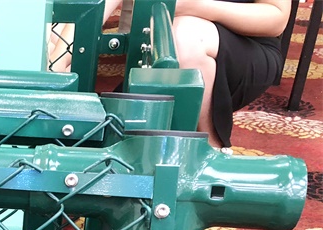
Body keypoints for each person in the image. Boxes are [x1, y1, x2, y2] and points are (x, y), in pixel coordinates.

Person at [104, 0, 291, 148]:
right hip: (162, 46)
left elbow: (276, 18)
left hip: (246, 46)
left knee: (184, 37)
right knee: (116, 130)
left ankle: (210, 150)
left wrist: (194, 6)